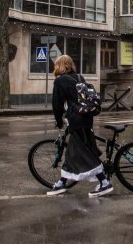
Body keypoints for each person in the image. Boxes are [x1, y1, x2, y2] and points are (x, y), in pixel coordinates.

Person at [48, 54, 113, 197]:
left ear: (59, 66)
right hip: (86, 118)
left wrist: (58, 122)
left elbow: (57, 105)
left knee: (83, 152)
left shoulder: (60, 81)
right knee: (76, 152)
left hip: (76, 120)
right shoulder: (79, 77)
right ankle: (62, 183)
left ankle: (104, 182)